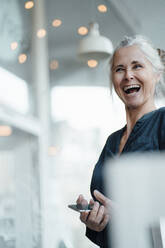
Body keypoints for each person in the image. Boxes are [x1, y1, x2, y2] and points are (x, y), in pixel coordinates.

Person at [76, 35, 165, 248]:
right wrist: (97, 221)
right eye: (119, 69)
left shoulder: (162, 123)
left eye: (137, 66)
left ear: (157, 75)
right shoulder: (111, 141)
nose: (128, 76)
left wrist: (128, 214)